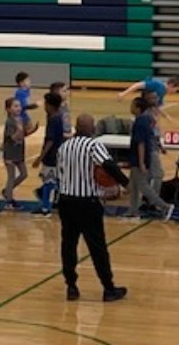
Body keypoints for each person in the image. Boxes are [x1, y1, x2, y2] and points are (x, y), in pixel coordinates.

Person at [56, 114, 129, 303]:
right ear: (92, 128)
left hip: (65, 200)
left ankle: (71, 286)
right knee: (97, 247)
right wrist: (126, 183)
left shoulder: (64, 147)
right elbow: (108, 165)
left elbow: (60, 174)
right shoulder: (93, 145)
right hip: (87, 202)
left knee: (68, 245)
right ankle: (108, 288)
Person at [126, 97, 174, 221]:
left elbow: (141, 143)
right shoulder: (145, 120)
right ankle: (133, 210)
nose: (130, 107)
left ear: (138, 108)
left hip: (138, 159)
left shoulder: (140, 122)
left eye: (132, 105)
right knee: (135, 185)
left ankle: (165, 206)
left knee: (143, 186)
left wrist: (141, 162)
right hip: (137, 158)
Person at [31, 92, 65, 217]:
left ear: (50, 105)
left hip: (51, 156)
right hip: (58, 154)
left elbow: (50, 140)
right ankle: (56, 202)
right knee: (55, 180)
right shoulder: (58, 116)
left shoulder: (53, 119)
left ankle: (45, 208)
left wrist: (40, 157)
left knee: (48, 182)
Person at [2, 98, 27, 209]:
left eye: (19, 106)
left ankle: (7, 191)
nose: (19, 108)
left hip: (19, 152)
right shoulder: (10, 121)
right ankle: (9, 201)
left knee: (24, 174)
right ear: (8, 109)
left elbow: (22, 135)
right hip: (10, 152)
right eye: (15, 106)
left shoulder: (20, 119)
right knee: (11, 177)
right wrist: (19, 130)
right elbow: (12, 138)